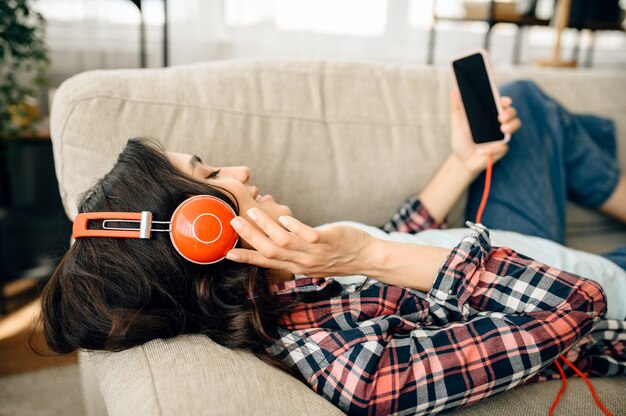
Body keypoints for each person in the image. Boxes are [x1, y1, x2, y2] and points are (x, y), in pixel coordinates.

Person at [39, 80, 626, 415]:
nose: (241, 168)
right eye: (212, 171)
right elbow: (578, 302)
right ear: (205, 232)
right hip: (587, 288)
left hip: (498, 244)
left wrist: (461, 163)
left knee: (522, 106)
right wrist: (363, 258)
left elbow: (396, 239)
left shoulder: (292, 270)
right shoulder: (352, 370)